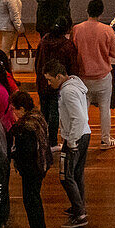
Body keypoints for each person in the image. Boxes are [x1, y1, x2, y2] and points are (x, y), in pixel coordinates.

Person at [44, 62, 91, 228]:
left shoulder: (68, 91)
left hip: (75, 138)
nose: (49, 84)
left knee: (65, 176)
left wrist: (71, 142)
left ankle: (79, 214)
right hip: (84, 134)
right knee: (77, 174)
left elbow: (78, 118)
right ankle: (79, 206)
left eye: (50, 80)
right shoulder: (75, 84)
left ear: (59, 76)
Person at [71, 0, 115, 150]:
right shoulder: (107, 30)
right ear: (101, 12)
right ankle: (105, 140)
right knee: (105, 109)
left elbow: (73, 50)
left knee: (82, 110)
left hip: (83, 77)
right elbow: (114, 53)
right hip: (103, 76)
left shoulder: (77, 29)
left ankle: (80, 139)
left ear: (87, 10)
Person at [9, 91, 52, 228]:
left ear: (21, 109)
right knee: (34, 198)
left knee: (31, 200)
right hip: (43, 163)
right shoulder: (37, 116)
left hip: (32, 169)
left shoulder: (25, 127)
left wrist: (12, 154)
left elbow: (25, 152)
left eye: (14, 109)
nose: (12, 113)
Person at [35, 18, 78, 150]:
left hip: (43, 82)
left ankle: (42, 140)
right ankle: (52, 142)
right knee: (55, 113)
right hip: (58, 84)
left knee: (44, 112)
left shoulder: (43, 41)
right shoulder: (67, 46)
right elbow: (72, 67)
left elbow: (37, 62)